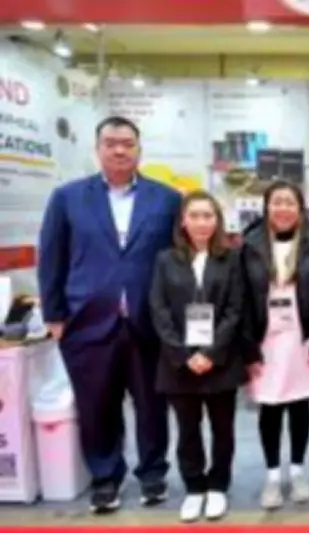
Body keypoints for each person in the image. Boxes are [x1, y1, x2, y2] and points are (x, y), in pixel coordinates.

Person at [37, 116, 181, 513]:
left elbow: (179, 262)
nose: (119, 150)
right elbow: (51, 257)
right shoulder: (67, 198)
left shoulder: (166, 199)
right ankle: (105, 477)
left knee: (152, 404)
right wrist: (54, 315)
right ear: (97, 148)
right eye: (111, 143)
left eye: (128, 143)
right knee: (96, 404)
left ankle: (153, 474)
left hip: (149, 322)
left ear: (139, 149)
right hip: (86, 322)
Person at [149, 191, 244, 522]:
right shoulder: (165, 260)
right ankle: (194, 487)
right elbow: (159, 309)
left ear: (217, 221)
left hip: (220, 360)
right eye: (195, 216)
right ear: (183, 221)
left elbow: (235, 309)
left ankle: (218, 486)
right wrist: (184, 354)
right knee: (187, 429)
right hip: (179, 362)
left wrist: (211, 352)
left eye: (208, 216)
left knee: (223, 429)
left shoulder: (231, 258)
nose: (202, 222)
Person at [240, 180, 309, 510]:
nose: (283, 209)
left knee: (299, 404)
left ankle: (297, 471)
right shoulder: (249, 245)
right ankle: (271, 476)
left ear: (300, 209)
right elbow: (241, 298)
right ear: (266, 207)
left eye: (289, 202)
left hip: (301, 336)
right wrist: (247, 345)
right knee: (270, 405)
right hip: (265, 337)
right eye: (276, 202)